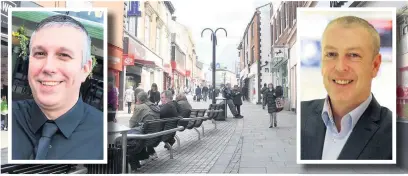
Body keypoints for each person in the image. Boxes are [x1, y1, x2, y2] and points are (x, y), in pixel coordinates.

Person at [12, 15, 103, 160]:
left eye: (64, 55)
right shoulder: (10, 118)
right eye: (40, 53)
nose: (48, 67)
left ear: (85, 69)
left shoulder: (104, 137)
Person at [301, 16, 392, 160]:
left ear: (375, 65)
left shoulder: (395, 135)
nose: (340, 67)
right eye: (331, 54)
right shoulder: (300, 115)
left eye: (353, 55)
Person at [127, 91, 160, 169]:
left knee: (124, 138)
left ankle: (133, 164)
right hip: (154, 136)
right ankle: (144, 157)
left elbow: (131, 124)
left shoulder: (140, 107)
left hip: (146, 137)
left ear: (138, 99)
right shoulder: (154, 106)